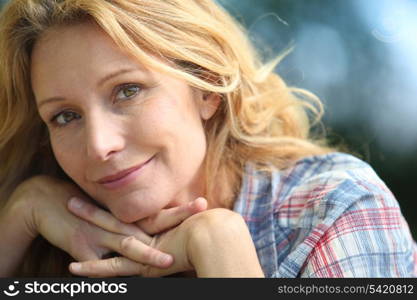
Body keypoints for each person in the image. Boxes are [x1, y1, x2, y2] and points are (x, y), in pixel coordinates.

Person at [0, 0, 415, 278]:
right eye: (65, 116)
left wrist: (221, 248)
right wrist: (17, 220)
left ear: (208, 88)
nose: (98, 145)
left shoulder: (332, 208)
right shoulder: (44, 234)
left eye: (127, 90)